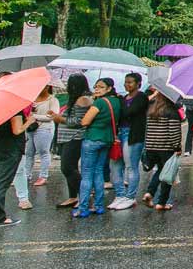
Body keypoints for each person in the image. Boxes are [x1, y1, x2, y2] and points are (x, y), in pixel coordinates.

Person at [0, 90, 36, 227]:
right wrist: (29, 121)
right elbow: (17, 130)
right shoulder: (13, 110)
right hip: (9, 149)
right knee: (1, 183)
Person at [74, 77, 121, 218]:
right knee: (99, 172)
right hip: (107, 139)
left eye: (101, 87)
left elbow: (85, 121)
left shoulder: (99, 102)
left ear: (109, 88)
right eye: (96, 86)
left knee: (87, 174)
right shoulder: (116, 102)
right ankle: (99, 206)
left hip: (92, 138)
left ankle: (83, 208)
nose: (97, 89)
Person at [50, 74, 92, 210]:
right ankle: (73, 196)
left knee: (67, 167)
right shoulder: (76, 99)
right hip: (67, 138)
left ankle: (84, 196)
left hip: (75, 138)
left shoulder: (83, 99)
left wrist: (59, 119)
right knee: (70, 167)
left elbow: (79, 122)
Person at [108, 72, 147, 210]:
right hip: (121, 134)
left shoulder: (141, 97)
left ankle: (130, 196)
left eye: (130, 82)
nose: (127, 85)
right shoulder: (124, 98)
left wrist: (122, 101)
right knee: (115, 165)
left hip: (133, 135)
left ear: (138, 84)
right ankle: (120, 194)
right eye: (126, 82)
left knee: (131, 166)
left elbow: (129, 112)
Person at [142, 91, 183, 210]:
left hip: (151, 146)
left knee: (160, 170)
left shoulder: (151, 110)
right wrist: (177, 147)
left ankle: (150, 192)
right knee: (168, 175)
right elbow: (174, 132)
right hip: (166, 147)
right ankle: (162, 202)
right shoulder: (171, 112)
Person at [22, 85, 59, 188]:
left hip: (44, 128)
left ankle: (43, 175)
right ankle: (26, 174)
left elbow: (52, 116)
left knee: (43, 152)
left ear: (47, 87)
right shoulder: (31, 99)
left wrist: (34, 116)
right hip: (30, 128)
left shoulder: (52, 100)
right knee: (29, 152)